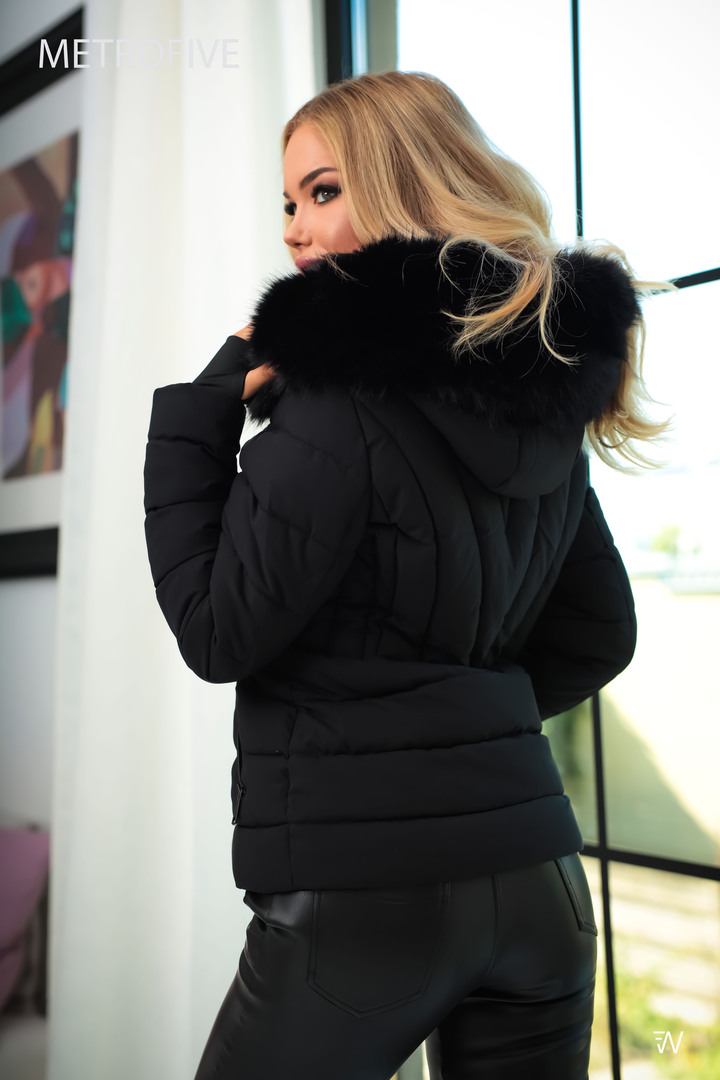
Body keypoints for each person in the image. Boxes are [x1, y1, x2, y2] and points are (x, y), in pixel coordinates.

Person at [143, 71, 669, 1080]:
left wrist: (195, 421)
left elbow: (217, 631)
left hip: (363, 903)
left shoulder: (334, 401)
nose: (296, 229)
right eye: (288, 202)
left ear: (409, 182)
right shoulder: (545, 415)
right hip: (542, 888)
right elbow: (603, 634)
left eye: (323, 190)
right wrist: (457, 728)